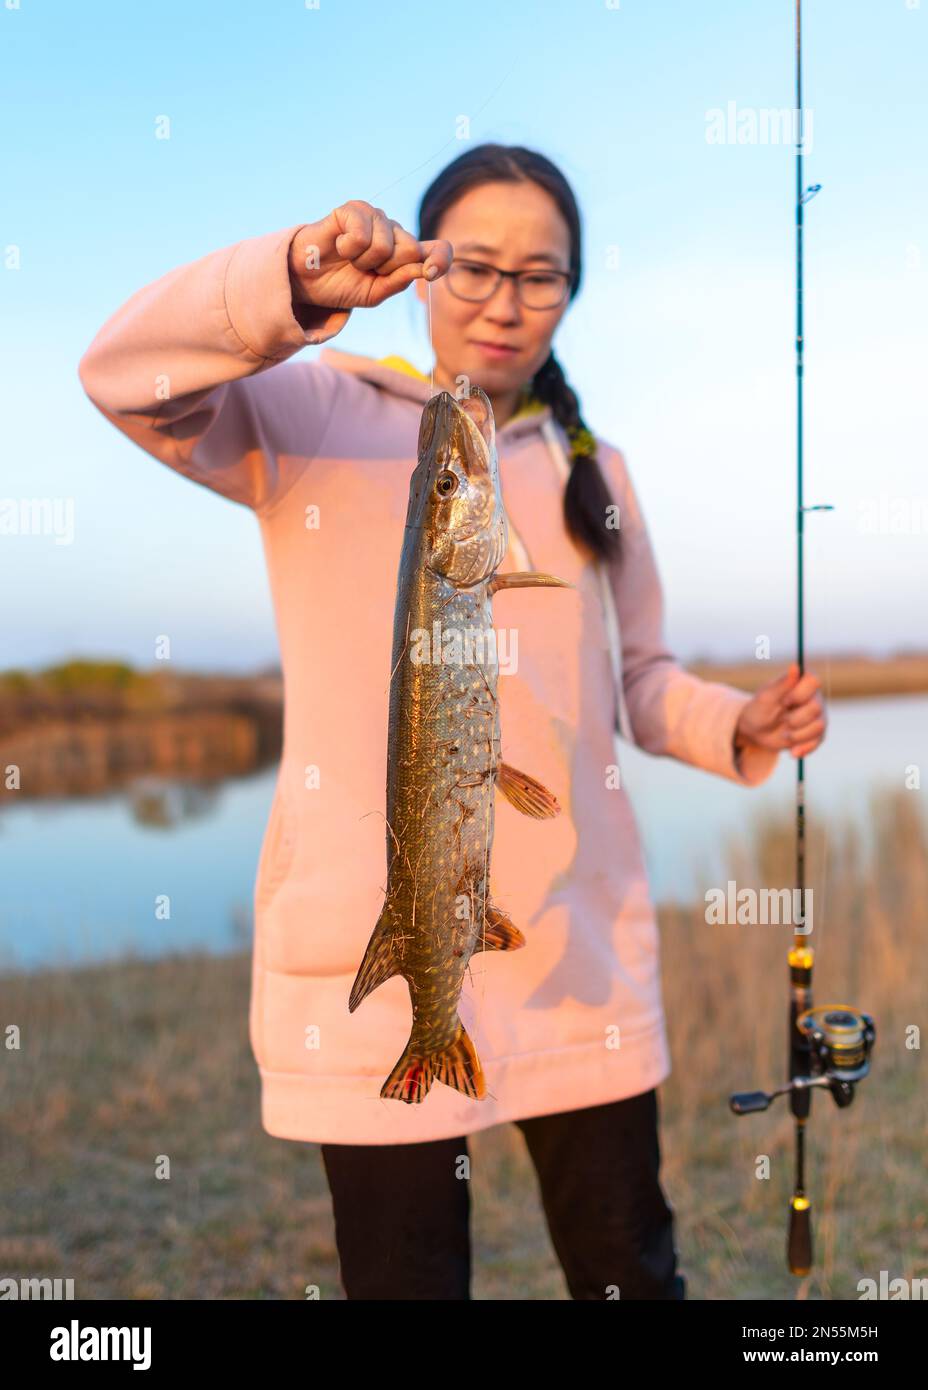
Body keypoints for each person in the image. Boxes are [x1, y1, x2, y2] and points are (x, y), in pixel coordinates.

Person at [77, 143, 826, 1300]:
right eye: (473, 265)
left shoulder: (597, 468)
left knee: (630, 1269)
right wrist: (288, 280)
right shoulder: (317, 412)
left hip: (575, 963)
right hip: (372, 967)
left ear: (572, 291)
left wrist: (739, 720)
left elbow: (637, 678)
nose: (504, 302)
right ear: (420, 269)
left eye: (542, 275)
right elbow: (125, 373)